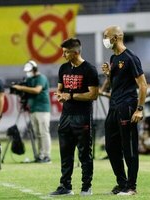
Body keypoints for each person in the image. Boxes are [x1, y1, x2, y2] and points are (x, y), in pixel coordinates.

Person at [102, 26, 148, 196]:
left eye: (106, 36)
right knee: (110, 147)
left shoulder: (130, 57)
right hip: (113, 106)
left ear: (115, 37)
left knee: (128, 147)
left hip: (127, 106)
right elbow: (118, 83)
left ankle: (131, 186)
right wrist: (109, 75)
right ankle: (121, 183)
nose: (104, 40)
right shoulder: (114, 57)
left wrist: (139, 109)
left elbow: (143, 85)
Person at [50, 38, 99, 196]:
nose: (63, 55)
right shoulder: (63, 68)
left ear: (76, 52)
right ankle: (65, 186)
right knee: (65, 153)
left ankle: (86, 187)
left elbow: (93, 95)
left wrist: (70, 96)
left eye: (66, 52)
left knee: (84, 154)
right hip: (65, 116)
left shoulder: (89, 69)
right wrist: (60, 95)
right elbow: (60, 89)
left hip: (82, 117)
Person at [12, 60, 52, 163]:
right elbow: (27, 90)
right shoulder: (30, 79)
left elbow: (37, 90)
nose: (27, 73)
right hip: (33, 109)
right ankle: (40, 155)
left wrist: (20, 87)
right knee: (38, 133)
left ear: (34, 69)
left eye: (29, 70)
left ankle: (46, 155)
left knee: (43, 133)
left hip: (42, 109)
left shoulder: (41, 78)